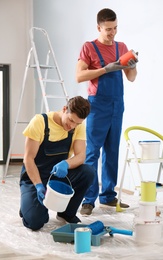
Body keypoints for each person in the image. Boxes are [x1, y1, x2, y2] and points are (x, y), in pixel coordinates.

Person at [76, 8, 138, 216]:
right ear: (99, 27)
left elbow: (131, 78)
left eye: (115, 28)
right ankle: (88, 199)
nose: (113, 33)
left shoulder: (122, 47)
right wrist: (105, 69)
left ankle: (108, 196)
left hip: (116, 104)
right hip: (97, 105)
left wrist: (133, 65)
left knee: (113, 151)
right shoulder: (89, 47)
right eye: (109, 29)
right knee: (93, 153)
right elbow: (79, 76)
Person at [19, 96, 95, 231]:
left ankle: (66, 213)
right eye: (71, 120)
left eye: (77, 124)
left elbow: (81, 156)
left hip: (57, 175)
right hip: (34, 177)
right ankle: (28, 205)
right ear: (64, 109)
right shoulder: (40, 122)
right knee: (35, 222)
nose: (72, 126)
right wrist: (38, 185)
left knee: (88, 172)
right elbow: (28, 159)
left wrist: (66, 163)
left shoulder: (78, 126)